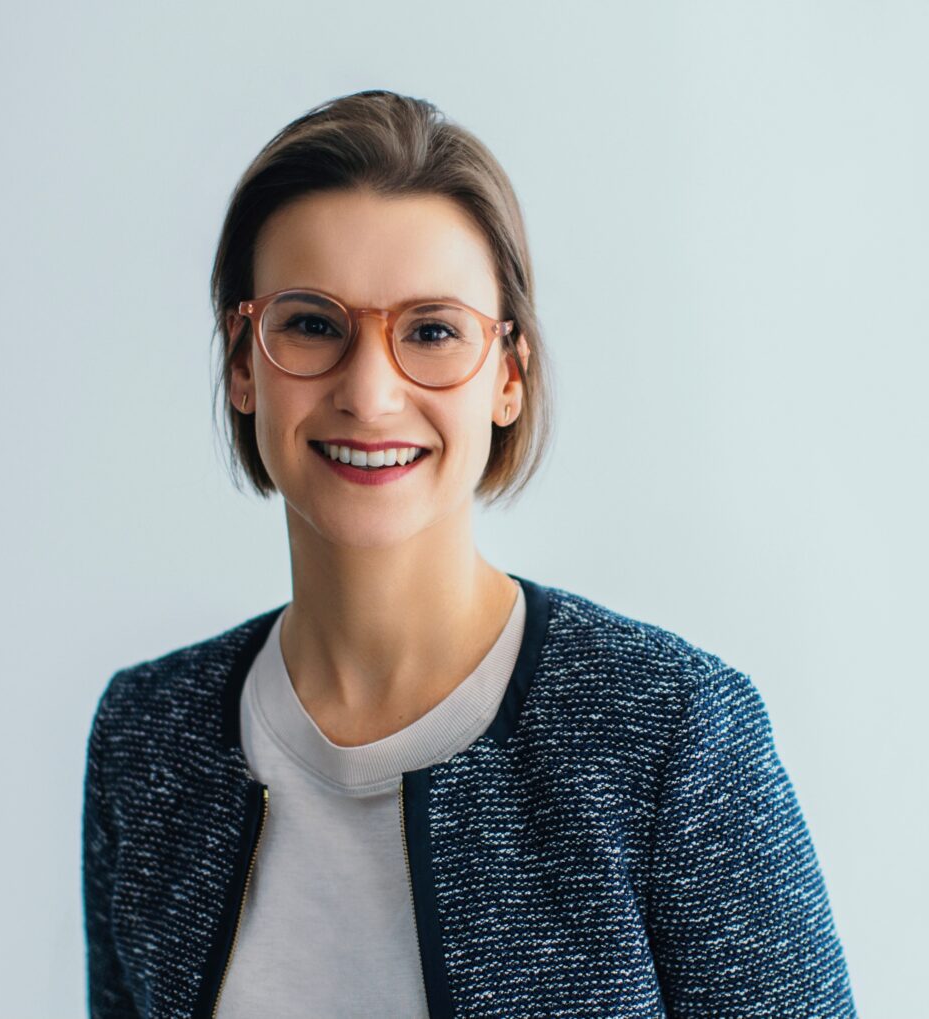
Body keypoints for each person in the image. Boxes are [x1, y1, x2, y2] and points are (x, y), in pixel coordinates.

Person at [81, 89, 857, 1018]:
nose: (370, 394)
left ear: (509, 375)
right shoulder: (147, 738)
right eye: (313, 323)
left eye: (433, 330)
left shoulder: (672, 738)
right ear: (244, 363)